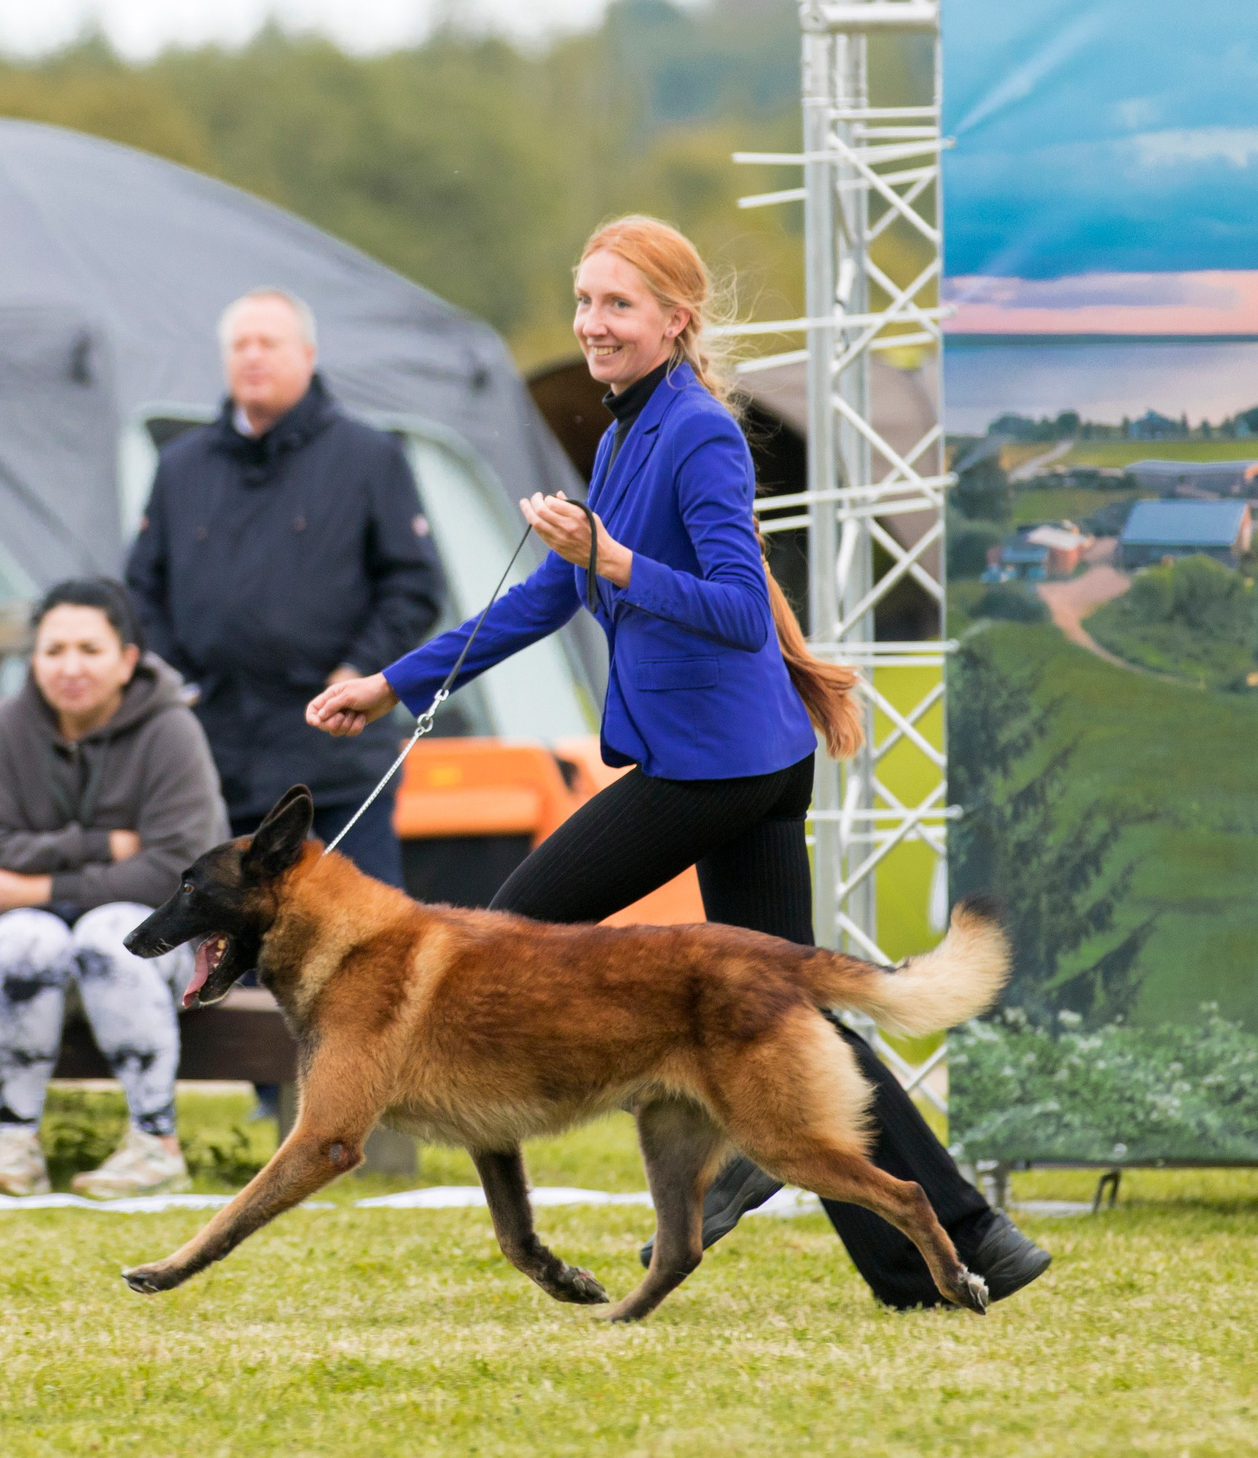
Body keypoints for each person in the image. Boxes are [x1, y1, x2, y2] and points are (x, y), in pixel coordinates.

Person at [310, 216, 1050, 1310]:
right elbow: (548, 597)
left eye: (617, 304)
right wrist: (395, 682)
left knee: (503, 939)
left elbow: (739, 610)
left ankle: (620, 1169)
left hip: (719, 769)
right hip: (739, 760)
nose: (592, 323)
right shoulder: (625, 435)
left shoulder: (698, 431)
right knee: (789, 1007)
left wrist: (611, 557)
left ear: (674, 320)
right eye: (584, 300)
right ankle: (967, 1243)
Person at [124, 287, 442, 884]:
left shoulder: (369, 457)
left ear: (307, 355)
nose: (253, 356)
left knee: (359, 932)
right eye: (240, 345)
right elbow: (141, 589)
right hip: (214, 753)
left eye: (268, 343)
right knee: (221, 929)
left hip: (335, 752)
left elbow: (414, 584)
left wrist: (358, 669)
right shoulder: (180, 467)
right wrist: (181, 683)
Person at [0, 578, 226, 1198]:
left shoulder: (171, 731)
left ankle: (155, 1145)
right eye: (53, 650)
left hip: (153, 950)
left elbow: (174, 872)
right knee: (24, 937)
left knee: (114, 932)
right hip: (38, 943)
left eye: (89, 649)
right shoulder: (4, 725)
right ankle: (16, 1147)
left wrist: (39, 886)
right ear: (32, 658)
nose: (70, 667)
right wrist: (105, 844)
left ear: (127, 659)